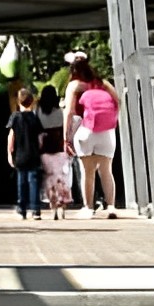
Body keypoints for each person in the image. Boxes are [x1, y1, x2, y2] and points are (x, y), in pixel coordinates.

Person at [62, 51, 121, 218]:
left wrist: (66, 138)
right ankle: (111, 207)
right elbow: (118, 102)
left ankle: (88, 208)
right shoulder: (103, 83)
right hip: (107, 131)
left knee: (87, 172)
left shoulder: (74, 86)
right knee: (106, 171)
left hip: (85, 130)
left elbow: (69, 112)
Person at [6, 86, 44, 220]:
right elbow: (40, 138)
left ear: (18, 101)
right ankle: (35, 210)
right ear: (32, 101)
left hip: (20, 154)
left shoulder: (15, 117)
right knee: (34, 181)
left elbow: (11, 136)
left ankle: (22, 209)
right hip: (33, 154)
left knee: (21, 181)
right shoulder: (34, 118)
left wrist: (10, 153)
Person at [40, 123, 72, 220]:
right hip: (62, 180)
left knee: (52, 197)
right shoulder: (63, 155)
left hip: (50, 180)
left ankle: (53, 211)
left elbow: (46, 169)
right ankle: (62, 210)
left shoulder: (44, 157)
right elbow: (69, 162)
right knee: (62, 198)